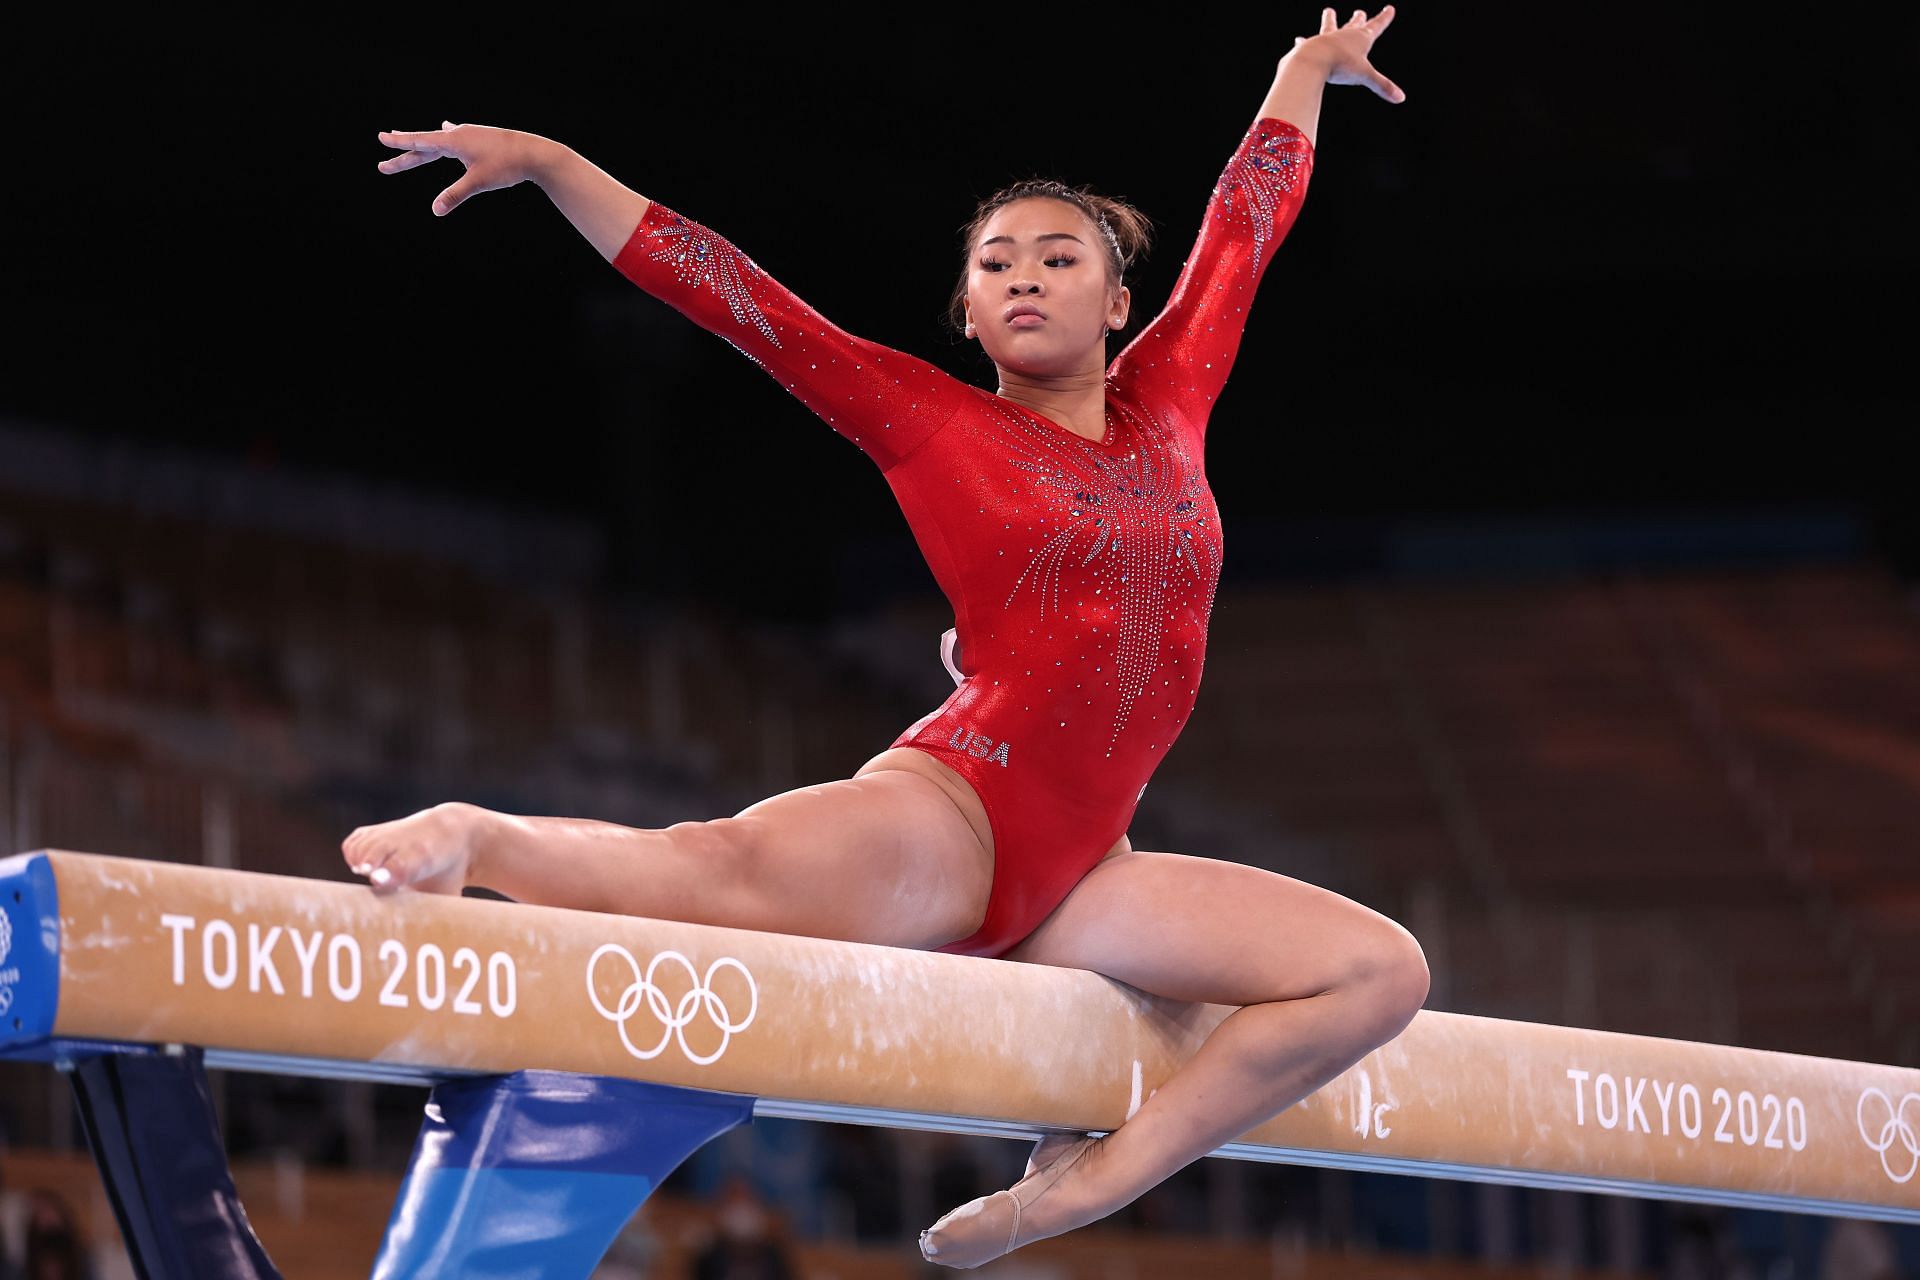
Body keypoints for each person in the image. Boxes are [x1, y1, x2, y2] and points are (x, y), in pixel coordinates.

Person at [354, 7, 1423, 1269]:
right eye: (995, 263)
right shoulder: (930, 421)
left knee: (1378, 972)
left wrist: (1304, 69)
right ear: (967, 315)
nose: (1025, 274)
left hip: (1089, 871)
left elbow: (1246, 228)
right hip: (961, 812)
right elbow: (741, 298)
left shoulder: (1176, 393)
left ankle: (1085, 1181)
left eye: (1059, 257)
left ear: (1121, 298)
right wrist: (551, 164)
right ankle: (482, 836)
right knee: (722, 877)